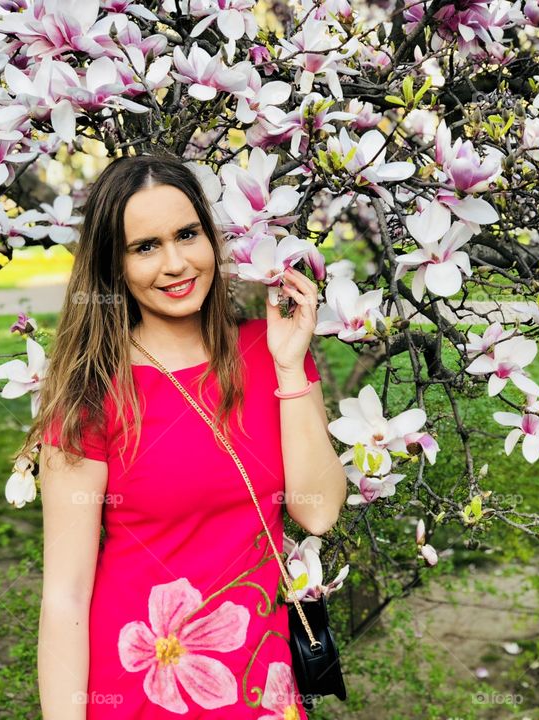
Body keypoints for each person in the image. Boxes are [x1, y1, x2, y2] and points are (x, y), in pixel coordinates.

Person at [27, 153, 347, 719]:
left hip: (262, 687)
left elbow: (317, 512)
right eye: (145, 247)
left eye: (187, 234)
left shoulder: (267, 353)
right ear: (114, 266)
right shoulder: (92, 396)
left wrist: (292, 368)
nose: (175, 263)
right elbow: (66, 598)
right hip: (140, 688)